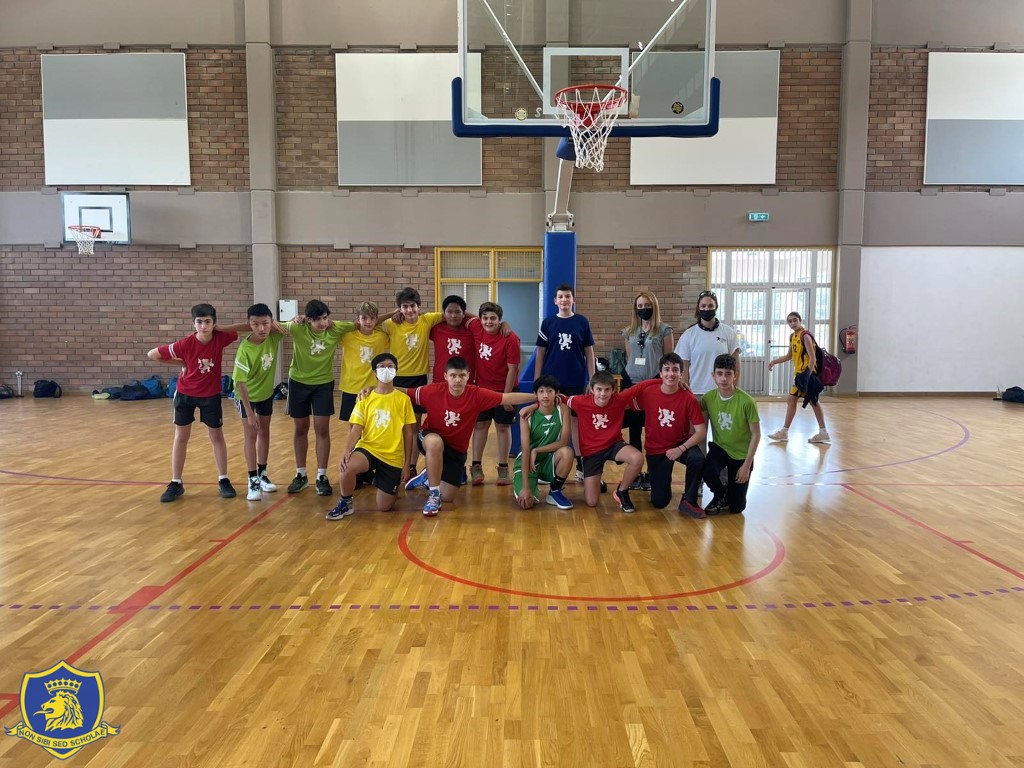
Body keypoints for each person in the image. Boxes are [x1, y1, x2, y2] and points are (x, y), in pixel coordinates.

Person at [403, 357, 538, 516]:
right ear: (445, 376)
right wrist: (380, 388)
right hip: (429, 438)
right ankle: (433, 496)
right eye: (453, 375)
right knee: (435, 443)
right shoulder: (432, 391)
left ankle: (427, 476)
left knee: (447, 496)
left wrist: (539, 398)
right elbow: (405, 392)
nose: (457, 380)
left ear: (468, 376)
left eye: (462, 375)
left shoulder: (476, 394)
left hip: (455, 450)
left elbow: (507, 398)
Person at [147, 303, 239, 503]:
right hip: (185, 394)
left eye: (207, 322)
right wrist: (182, 363)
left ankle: (223, 479)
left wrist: (221, 328)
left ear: (214, 323)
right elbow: (153, 354)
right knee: (181, 436)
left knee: (216, 436)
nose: (203, 326)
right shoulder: (185, 344)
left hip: (210, 395)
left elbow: (243, 328)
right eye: (199, 322)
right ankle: (176, 482)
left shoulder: (221, 338)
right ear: (193, 323)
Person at [326, 353, 417, 520]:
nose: (386, 369)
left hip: (392, 456)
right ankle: (346, 502)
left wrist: (407, 465)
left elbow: (408, 433)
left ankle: (383, 481)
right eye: (382, 366)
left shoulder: (403, 400)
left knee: (384, 507)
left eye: (390, 366)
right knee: (346, 467)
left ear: (396, 370)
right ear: (375, 372)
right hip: (368, 448)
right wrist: (347, 451)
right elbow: (356, 429)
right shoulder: (365, 398)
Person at [279, 300, 355, 496]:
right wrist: (292, 319)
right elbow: (271, 324)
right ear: (308, 320)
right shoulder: (298, 328)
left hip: (323, 384)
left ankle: (322, 476)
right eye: (317, 319)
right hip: (298, 383)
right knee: (300, 428)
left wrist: (395, 313)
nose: (322, 323)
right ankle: (301, 474)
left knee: (322, 428)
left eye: (324, 318)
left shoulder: (335, 328)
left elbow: (365, 323)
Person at [629, 353, 707, 518]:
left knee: (698, 458)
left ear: (681, 373)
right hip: (656, 449)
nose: (671, 373)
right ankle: (663, 482)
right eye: (667, 369)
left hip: (680, 444)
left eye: (675, 370)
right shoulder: (648, 393)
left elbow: (701, 432)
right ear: (660, 373)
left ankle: (689, 500)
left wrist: (681, 449)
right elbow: (625, 403)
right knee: (660, 502)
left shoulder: (689, 398)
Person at [535, 283, 596, 479]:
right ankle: (546, 464)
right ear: (555, 300)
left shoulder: (582, 322)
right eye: (560, 297)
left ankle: (580, 464)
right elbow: (541, 352)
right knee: (551, 421)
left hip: (576, 380)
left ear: (573, 299)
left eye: (567, 296)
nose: (564, 300)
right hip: (552, 382)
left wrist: (592, 379)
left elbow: (589, 352)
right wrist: (537, 379)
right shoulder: (548, 323)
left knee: (576, 422)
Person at [566, 370, 647, 513]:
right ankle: (597, 481)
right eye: (599, 389)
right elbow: (558, 399)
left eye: (607, 389)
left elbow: (642, 386)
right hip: (591, 452)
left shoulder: (619, 399)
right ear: (592, 389)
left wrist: (669, 381)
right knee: (591, 502)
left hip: (613, 445)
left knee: (637, 458)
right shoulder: (580, 402)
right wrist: (532, 406)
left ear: (613, 390)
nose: (603, 393)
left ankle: (622, 491)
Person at [231, 303, 286, 501]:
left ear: (271, 322)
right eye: (255, 324)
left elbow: (289, 328)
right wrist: (249, 413)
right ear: (249, 325)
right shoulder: (245, 349)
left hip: (265, 394)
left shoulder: (274, 336)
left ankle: (262, 474)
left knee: (264, 432)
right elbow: (240, 383)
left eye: (265, 323)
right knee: (251, 434)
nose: (261, 328)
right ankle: (252, 479)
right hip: (246, 397)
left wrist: (280, 323)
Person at [621, 291, 675, 491]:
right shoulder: (630, 331)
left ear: (654, 306)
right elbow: (630, 357)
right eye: (640, 306)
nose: (643, 309)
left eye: (647, 305)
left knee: (653, 431)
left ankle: (653, 473)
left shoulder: (664, 330)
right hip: (632, 384)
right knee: (634, 431)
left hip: (654, 384)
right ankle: (635, 473)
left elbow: (668, 360)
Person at [700, 354, 761, 515]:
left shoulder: (747, 402)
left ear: (735, 376)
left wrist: (746, 466)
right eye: (719, 374)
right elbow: (692, 412)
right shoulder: (708, 398)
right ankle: (720, 495)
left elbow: (756, 435)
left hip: (741, 454)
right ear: (713, 375)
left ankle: (729, 495)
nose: (723, 378)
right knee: (707, 470)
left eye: (728, 374)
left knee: (736, 508)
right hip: (720, 448)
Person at [469, 301, 521, 486]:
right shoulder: (476, 327)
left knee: (502, 427)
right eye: (485, 318)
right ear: (480, 319)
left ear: (500, 320)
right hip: (482, 389)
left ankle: (503, 468)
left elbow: (513, 369)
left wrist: (506, 397)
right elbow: (462, 315)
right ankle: (476, 466)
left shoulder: (510, 338)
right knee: (480, 425)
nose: (488, 322)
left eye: (493, 318)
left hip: (504, 389)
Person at [766, 311, 830, 444]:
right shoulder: (793, 336)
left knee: (801, 400)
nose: (792, 323)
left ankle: (785, 432)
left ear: (800, 321)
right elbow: (789, 356)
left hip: (808, 374)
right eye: (790, 321)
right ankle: (821, 432)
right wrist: (774, 362)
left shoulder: (805, 335)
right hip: (800, 374)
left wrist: (807, 375)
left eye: (795, 320)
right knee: (806, 401)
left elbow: (812, 358)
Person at [512, 375, 575, 510]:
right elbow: (525, 450)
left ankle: (555, 492)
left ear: (557, 393)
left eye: (549, 391)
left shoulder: (563, 410)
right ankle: (527, 481)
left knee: (567, 452)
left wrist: (537, 450)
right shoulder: (526, 415)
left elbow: (564, 442)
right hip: (528, 462)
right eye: (541, 391)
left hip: (547, 460)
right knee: (527, 503)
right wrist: (525, 487)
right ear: (535, 394)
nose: (545, 395)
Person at [674, 289, 740, 398]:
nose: (707, 309)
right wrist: (686, 392)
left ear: (716, 307)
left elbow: (736, 363)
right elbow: (684, 365)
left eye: (710, 306)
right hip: (696, 391)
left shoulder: (728, 332)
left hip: (722, 391)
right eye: (703, 306)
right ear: (698, 308)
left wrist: (734, 388)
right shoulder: (688, 335)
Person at [429, 295, 477, 384]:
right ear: (444, 313)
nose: (453, 315)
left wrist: (502, 324)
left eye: (457, 312)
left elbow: (487, 322)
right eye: (449, 312)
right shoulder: (436, 329)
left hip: (465, 383)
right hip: (440, 382)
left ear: (464, 314)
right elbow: (419, 322)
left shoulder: (472, 331)